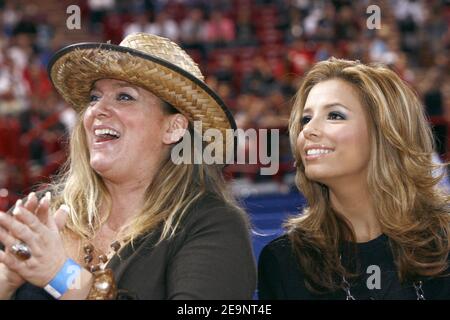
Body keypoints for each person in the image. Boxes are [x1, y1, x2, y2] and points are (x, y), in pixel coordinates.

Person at [0, 32, 256, 300]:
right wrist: (7, 279)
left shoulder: (209, 223)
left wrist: (61, 275)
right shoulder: (44, 212)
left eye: (124, 97)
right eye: (94, 97)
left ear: (173, 128)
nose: (98, 110)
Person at [258, 58, 450, 300]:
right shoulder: (283, 262)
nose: (308, 130)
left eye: (335, 115)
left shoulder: (444, 243)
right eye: (306, 119)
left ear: (385, 131)